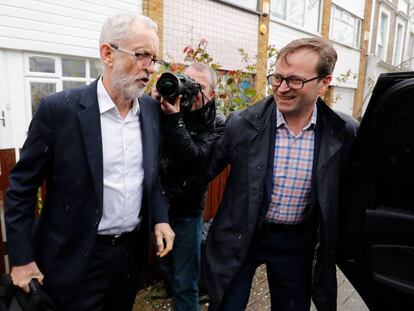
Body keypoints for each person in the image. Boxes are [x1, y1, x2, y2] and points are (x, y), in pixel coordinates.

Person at [161, 37, 359, 311]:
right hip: (241, 234)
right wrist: (157, 202)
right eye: (277, 78)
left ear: (324, 83)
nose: (282, 88)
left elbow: (356, 194)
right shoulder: (244, 123)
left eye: (295, 81)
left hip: (296, 241)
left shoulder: (343, 132)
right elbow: (200, 170)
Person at [5, 13, 175, 311]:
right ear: (108, 54)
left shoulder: (149, 110)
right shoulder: (59, 111)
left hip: (127, 257)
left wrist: (160, 218)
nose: (150, 68)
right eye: (141, 55)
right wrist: (21, 260)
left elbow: (151, 176)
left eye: (154, 59)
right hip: (74, 259)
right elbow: (21, 188)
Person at [154, 63, 224, 311]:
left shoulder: (217, 123)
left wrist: (173, 119)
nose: (189, 92)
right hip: (156, 208)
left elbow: (196, 160)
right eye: (187, 83)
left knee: (186, 282)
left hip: (186, 212)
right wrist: (155, 104)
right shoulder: (166, 108)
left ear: (212, 94)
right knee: (168, 272)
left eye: (199, 87)